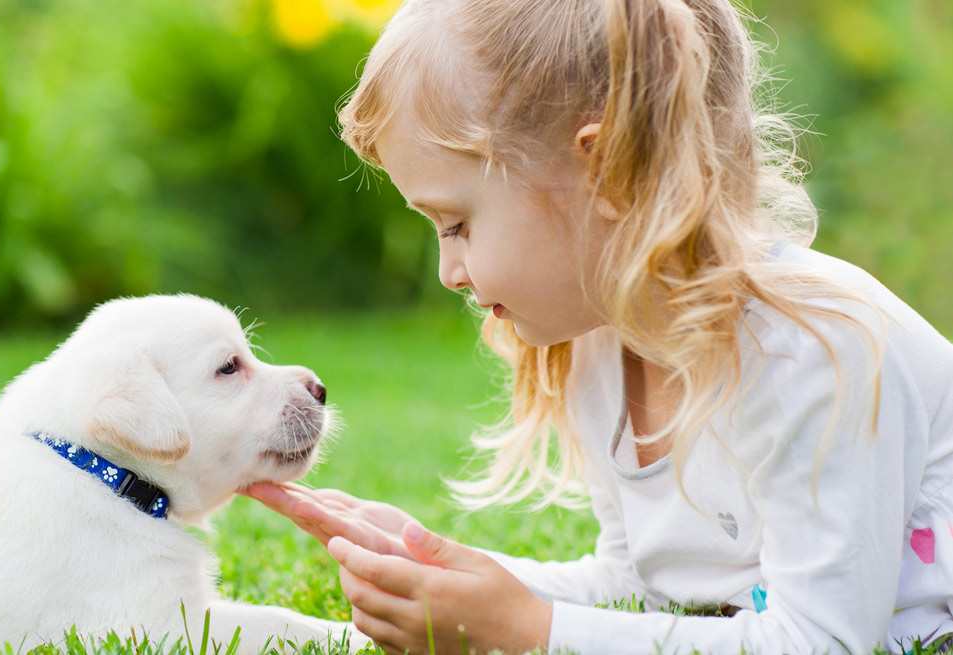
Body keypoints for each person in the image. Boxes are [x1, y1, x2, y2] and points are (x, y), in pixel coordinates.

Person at [243, 0, 953, 653]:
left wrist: (526, 630)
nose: (447, 271)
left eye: (456, 224)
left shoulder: (815, 349)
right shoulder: (599, 346)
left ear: (608, 172)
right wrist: (444, 568)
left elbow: (820, 640)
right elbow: (636, 587)